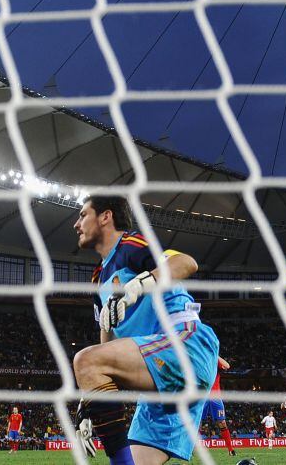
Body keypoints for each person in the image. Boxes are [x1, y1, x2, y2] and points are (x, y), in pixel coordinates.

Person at [71, 196, 219, 465]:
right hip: (160, 377)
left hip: (182, 344)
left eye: (83, 215)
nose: (76, 223)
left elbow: (186, 263)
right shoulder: (98, 280)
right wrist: (90, 403)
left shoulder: (130, 245)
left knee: (84, 359)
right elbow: (107, 349)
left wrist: (140, 284)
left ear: (105, 216)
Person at [201, 357, 237, 456]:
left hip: (215, 396)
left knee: (222, 423)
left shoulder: (214, 359)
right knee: (196, 423)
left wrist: (215, 354)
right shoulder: (198, 357)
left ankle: (230, 450)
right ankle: (190, 450)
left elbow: (227, 366)